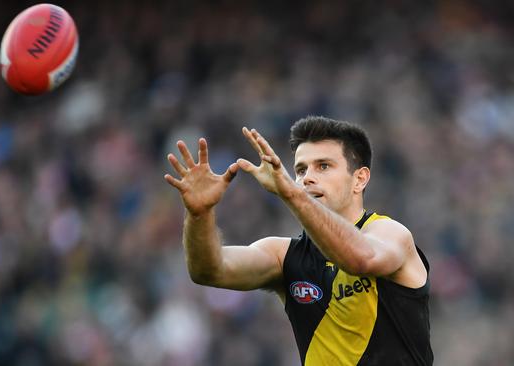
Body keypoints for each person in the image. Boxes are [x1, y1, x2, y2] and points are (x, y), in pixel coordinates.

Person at [164, 116, 433, 365]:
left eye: (323, 166)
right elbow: (209, 270)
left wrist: (293, 195)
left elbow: (360, 259)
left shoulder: (390, 233)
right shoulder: (284, 256)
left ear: (359, 179)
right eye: (301, 170)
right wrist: (199, 214)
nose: (308, 178)